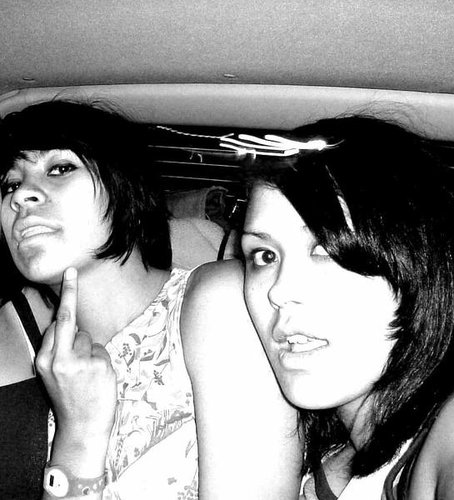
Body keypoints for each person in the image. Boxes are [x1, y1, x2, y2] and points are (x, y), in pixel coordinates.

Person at [0, 101, 302, 499]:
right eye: (9, 185)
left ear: (126, 189)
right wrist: (78, 434)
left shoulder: (216, 300)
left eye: (60, 168)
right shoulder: (51, 363)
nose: (20, 196)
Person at [235, 116, 454, 499]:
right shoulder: (328, 452)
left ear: (423, 265)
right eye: (264, 255)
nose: (279, 291)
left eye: (326, 250)